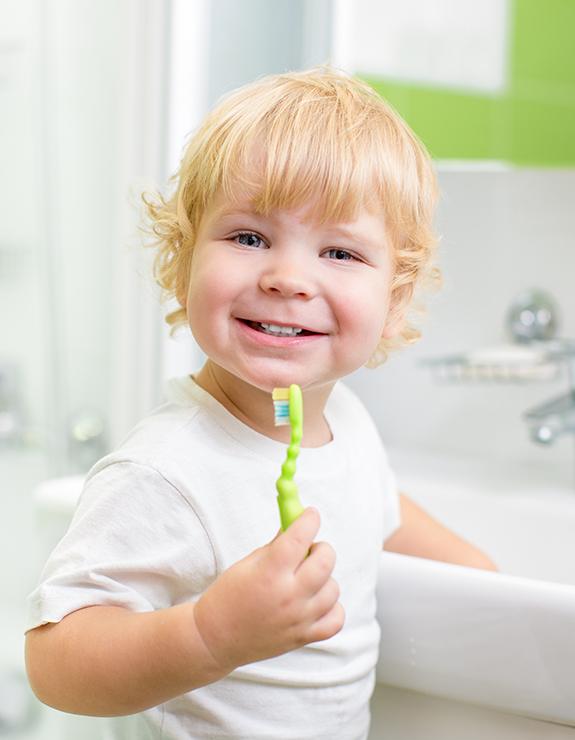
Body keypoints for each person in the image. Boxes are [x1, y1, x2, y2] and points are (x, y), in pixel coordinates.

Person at [25, 67, 496, 740]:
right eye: (249, 238)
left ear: (392, 303)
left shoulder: (343, 422)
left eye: (338, 251)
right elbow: (54, 662)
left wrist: (484, 578)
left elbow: (375, 506)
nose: (286, 279)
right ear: (181, 261)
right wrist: (209, 633)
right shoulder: (165, 471)